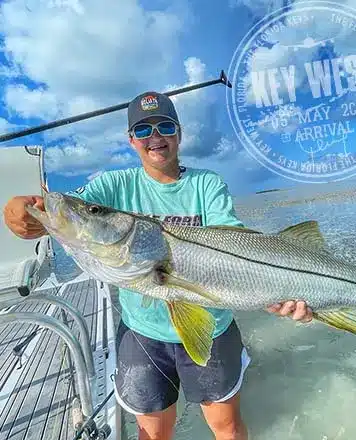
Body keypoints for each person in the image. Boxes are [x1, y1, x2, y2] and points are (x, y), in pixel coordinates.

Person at [3, 91, 313, 440]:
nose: (156, 137)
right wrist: (17, 207)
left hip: (212, 327)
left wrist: (278, 292)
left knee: (226, 427)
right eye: (143, 129)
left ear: (179, 133)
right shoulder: (114, 185)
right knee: (152, 432)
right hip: (143, 334)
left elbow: (234, 238)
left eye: (165, 126)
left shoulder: (206, 184)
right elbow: (59, 206)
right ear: (131, 140)